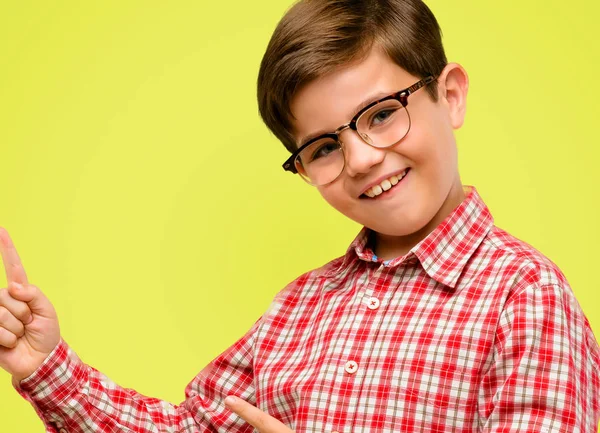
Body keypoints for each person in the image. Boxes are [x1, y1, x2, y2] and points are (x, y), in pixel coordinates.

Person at [1, 0, 599, 431]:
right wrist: (46, 366)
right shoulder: (298, 308)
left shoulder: (525, 297)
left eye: (384, 113)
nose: (361, 158)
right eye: (323, 148)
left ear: (452, 94)